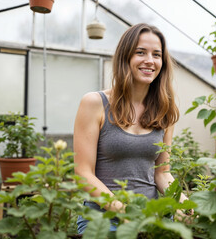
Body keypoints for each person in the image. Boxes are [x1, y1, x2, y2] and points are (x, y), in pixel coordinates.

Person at [73, 23, 189, 234]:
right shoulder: (95, 103)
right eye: (140, 52)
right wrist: (125, 211)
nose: (150, 60)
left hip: (151, 215)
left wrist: (183, 203)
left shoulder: (165, 109)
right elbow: (83, 173)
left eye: (156, 54)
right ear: (125, 57)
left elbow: (162, 173)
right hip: (103, 217)